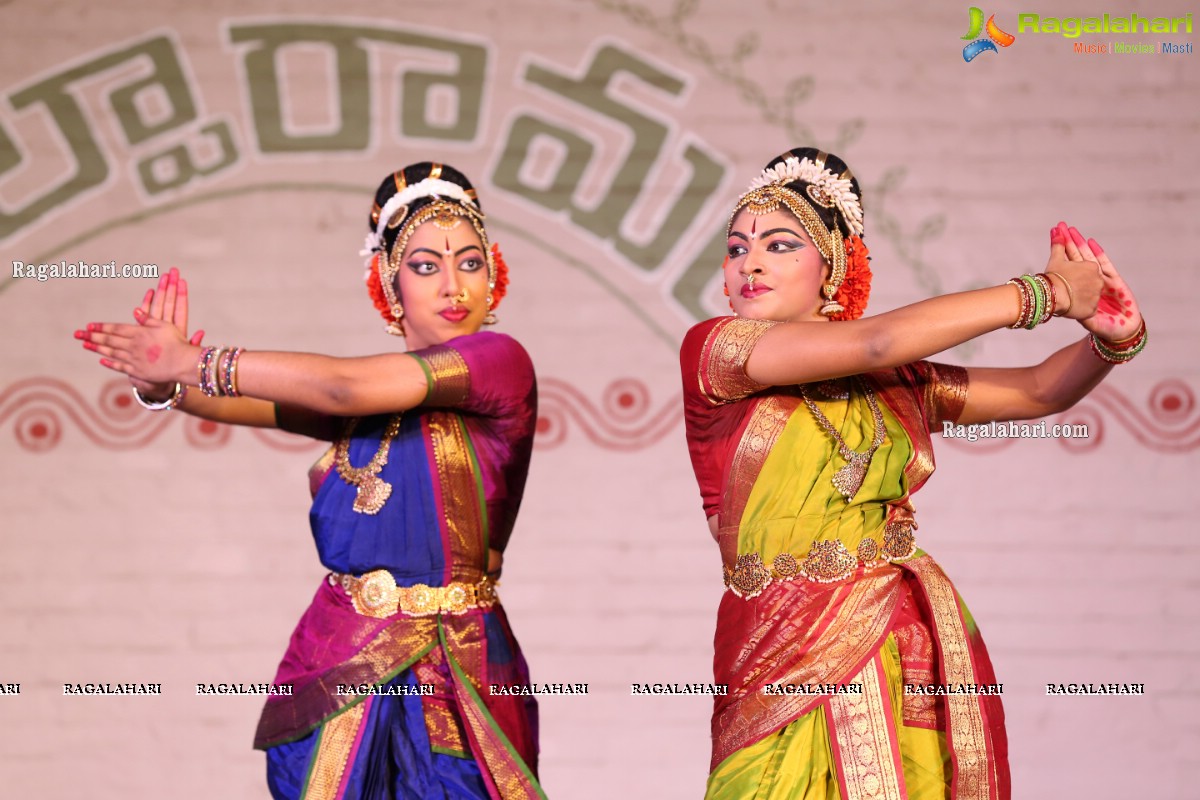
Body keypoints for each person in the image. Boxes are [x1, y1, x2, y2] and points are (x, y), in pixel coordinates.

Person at [679, 147, 1145, 799]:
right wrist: (1044, 293)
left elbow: (1040, 391)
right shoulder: (717, 352)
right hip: (774, 644)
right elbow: (877, 339)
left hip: (897, 648)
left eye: (779, 245)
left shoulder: (898, 385)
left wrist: (1111, 340)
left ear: (832, 268)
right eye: (735, 249)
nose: (749, 262)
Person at [77, 163, 548, 799]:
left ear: (494, 276)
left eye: (470, 262)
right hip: (341, 655)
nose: (454, 285)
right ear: (390, 283)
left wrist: (194, 361)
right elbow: (249, 403)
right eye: (426, 266)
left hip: (454, 661)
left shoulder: (499, 363)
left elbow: (337, 385)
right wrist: (162, 386)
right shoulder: (374, 400)